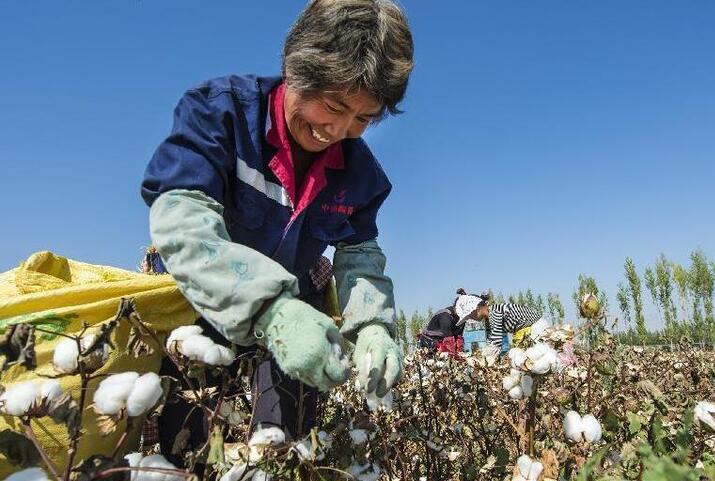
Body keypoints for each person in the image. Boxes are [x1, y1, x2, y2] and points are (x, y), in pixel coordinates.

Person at [140, 0, 414, 460]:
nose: (340, 130)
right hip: (203, 301)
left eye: (364, 119)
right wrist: (270, 311)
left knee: (285, 440)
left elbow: (360, 255)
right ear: (295, 69)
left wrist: (372, 327)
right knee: (187, 439)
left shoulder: (361, 174)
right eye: (333, 106)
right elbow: (182, 221)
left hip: (300, 310)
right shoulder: (220, 115)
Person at [418, 289, 489, 353]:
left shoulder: (462, 319)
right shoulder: (445, 317)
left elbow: (458, 338)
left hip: (443, 345)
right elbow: (449, 344)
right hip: (430, 345)